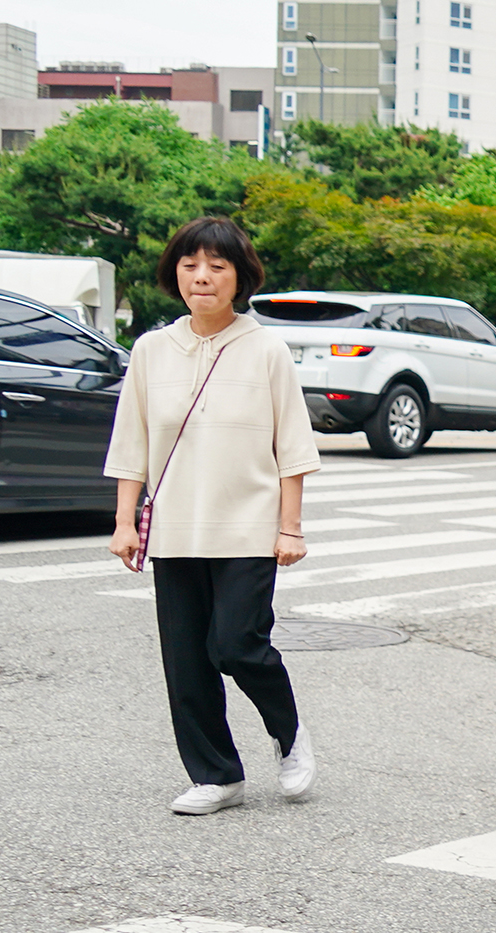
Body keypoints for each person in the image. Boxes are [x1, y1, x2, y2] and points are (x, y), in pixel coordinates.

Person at [104, 217, 319, 816]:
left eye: (217, 266)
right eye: (191, 264)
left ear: (239, 278)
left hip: (249, 525)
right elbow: (132, 444)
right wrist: (125, 521)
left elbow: (292, 446)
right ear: (175, 273)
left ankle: (288, 733)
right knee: (186, 658)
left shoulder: (266, 350)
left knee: (236, 643)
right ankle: (216, 774)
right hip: (175, 527)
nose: (202, 276)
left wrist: (290, 526)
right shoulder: (151, 350)